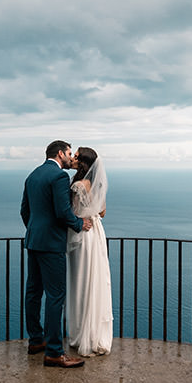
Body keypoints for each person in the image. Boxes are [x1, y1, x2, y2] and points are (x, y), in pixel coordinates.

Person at [21, 140, 92, 368]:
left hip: (34, 241)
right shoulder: (59, 176)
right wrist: (79, 223)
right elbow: (63, 212)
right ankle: (53, 351)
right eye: (69, 153)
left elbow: (25, 210)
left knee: (33, 292)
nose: (71, 157)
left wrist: (36, 231)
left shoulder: (33, 175)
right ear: (60, 153)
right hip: (51, 244)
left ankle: (35, 340)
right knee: (55, 296)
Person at [66, 147, 113, 356]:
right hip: (97, 234)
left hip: (83, 235)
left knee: (81, 281)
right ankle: (94, 334)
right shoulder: (97, 184)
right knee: (96, 281)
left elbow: (72, 213)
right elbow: (101, 212)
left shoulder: (77, 186)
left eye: (76, 157)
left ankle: (80, 334)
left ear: (83, 163)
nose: (73, 159)